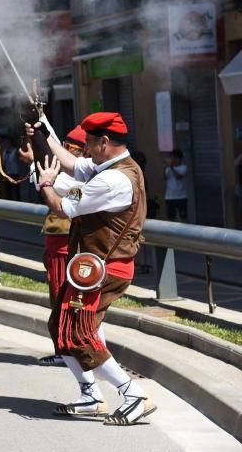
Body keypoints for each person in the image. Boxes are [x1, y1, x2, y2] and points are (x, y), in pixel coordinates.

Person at [31, 111, 156, 425]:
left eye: (88, 142)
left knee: (77, 333)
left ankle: (132, 393)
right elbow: (73, 167)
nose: (84, 148)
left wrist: (47, 183)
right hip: (95, 268)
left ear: (104, 142)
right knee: (62, 326)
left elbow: (64, 205)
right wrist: (43, 125)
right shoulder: (113, 167)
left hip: (102, 269)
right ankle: (90, 394)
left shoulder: (112, 179)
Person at [19, 125, 88, 367]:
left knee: (63, 298)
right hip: (58, 242)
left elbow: (56, 187)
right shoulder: (74, 174)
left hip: (66, 243)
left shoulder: (81, 178)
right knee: (57, 296)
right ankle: (65, 349)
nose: (66, 151)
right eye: (66, 146)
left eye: (72, 148)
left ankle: (68, 351)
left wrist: (37, 161)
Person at [163, 148, 188, 222]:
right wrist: (164, 169)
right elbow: (164, 179)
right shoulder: (168, 168)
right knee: (171, 218)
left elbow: (179, 177)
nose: (172, 159)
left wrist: (171, 167)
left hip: (181, 197)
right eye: (171, 157)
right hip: (169, 197)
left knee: (183, 218)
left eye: (174, 157)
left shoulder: (183, 167)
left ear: (179, 158)